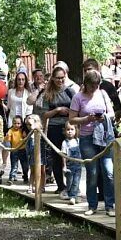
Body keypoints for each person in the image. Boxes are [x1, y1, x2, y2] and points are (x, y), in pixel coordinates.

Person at [69, 70, 116, 215]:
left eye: (96, 85)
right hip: (87, 137)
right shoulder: (78, 97)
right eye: (91, 85)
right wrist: (86, 119)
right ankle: (92, 205)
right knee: (92, 172)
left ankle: (110, 205)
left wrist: (104, 117)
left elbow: (112, 113)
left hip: (104, 137)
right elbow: (72, 119)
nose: (94, 88)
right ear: (86, 84)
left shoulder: (102, 94)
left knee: (108, 172)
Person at [36, 64, 77, 197]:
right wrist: (58, 110)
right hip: (54, 127)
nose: (60, 80)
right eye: (57, 78)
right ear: (53, 78)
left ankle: (73, 185)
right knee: (56, 157)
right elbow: (44, 114)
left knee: (72, 156)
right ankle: (61, 185)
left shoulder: (70, 92)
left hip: (69, 127)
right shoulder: (48, 94)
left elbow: (77, 109)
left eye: (62, 78)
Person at [24, 114, 46, 194]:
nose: (28, 127)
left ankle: (42, 186)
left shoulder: (41, 133)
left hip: (41, 155)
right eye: (27, 125)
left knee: (42, 171)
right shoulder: (29, 134)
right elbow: (27, 145)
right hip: (32, 155)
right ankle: (31, 186)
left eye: (30, 124)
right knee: (32, 171)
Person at [61, 122, 82, 205]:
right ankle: (70, 194)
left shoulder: (78, 141)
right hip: (69, 166)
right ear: (65, 131)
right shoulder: (64, 142)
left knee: (76, 181)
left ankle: (73, 196)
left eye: (72, 129)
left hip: (78, 165)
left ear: (76, 131)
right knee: (70, 181)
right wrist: (64, 166)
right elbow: (63, 155)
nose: (70, 131)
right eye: (68, 129)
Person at [4, 116, 29, 185]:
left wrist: (25, 135)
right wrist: (7, 139)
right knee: (14, 165)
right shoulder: (10, 130)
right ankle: (11, 178)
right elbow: (7, 140)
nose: (16, 125)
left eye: (18, 123)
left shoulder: (22, 130)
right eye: (14, 123)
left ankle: (26, 177)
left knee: (25, 166)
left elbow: (26, 137)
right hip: (14, 150)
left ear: (21, 124)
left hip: (23, 150)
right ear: (12, 123)